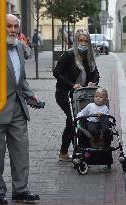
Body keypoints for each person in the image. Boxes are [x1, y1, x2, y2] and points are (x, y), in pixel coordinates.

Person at [0, 14, 40, 204]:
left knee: (21, 151)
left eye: (15, 26)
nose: (12, 30)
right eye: (8, 26)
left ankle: (21, 189)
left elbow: (21, 78)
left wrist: (30, 94)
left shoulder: (18, 46)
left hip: (18, 107)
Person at [53, 28, 100, 161]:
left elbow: (95, 72)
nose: (83, 43)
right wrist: (71, 84)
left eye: (86, 41)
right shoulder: (69, 55)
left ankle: (80, 149)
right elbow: (57, 72)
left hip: (81, 95)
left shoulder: (89, 56)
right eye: (80, 40)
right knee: (72, 120)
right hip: (65, 94)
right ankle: (66, 151)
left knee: (80, 120)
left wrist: (93, 82)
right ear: (76, 41)